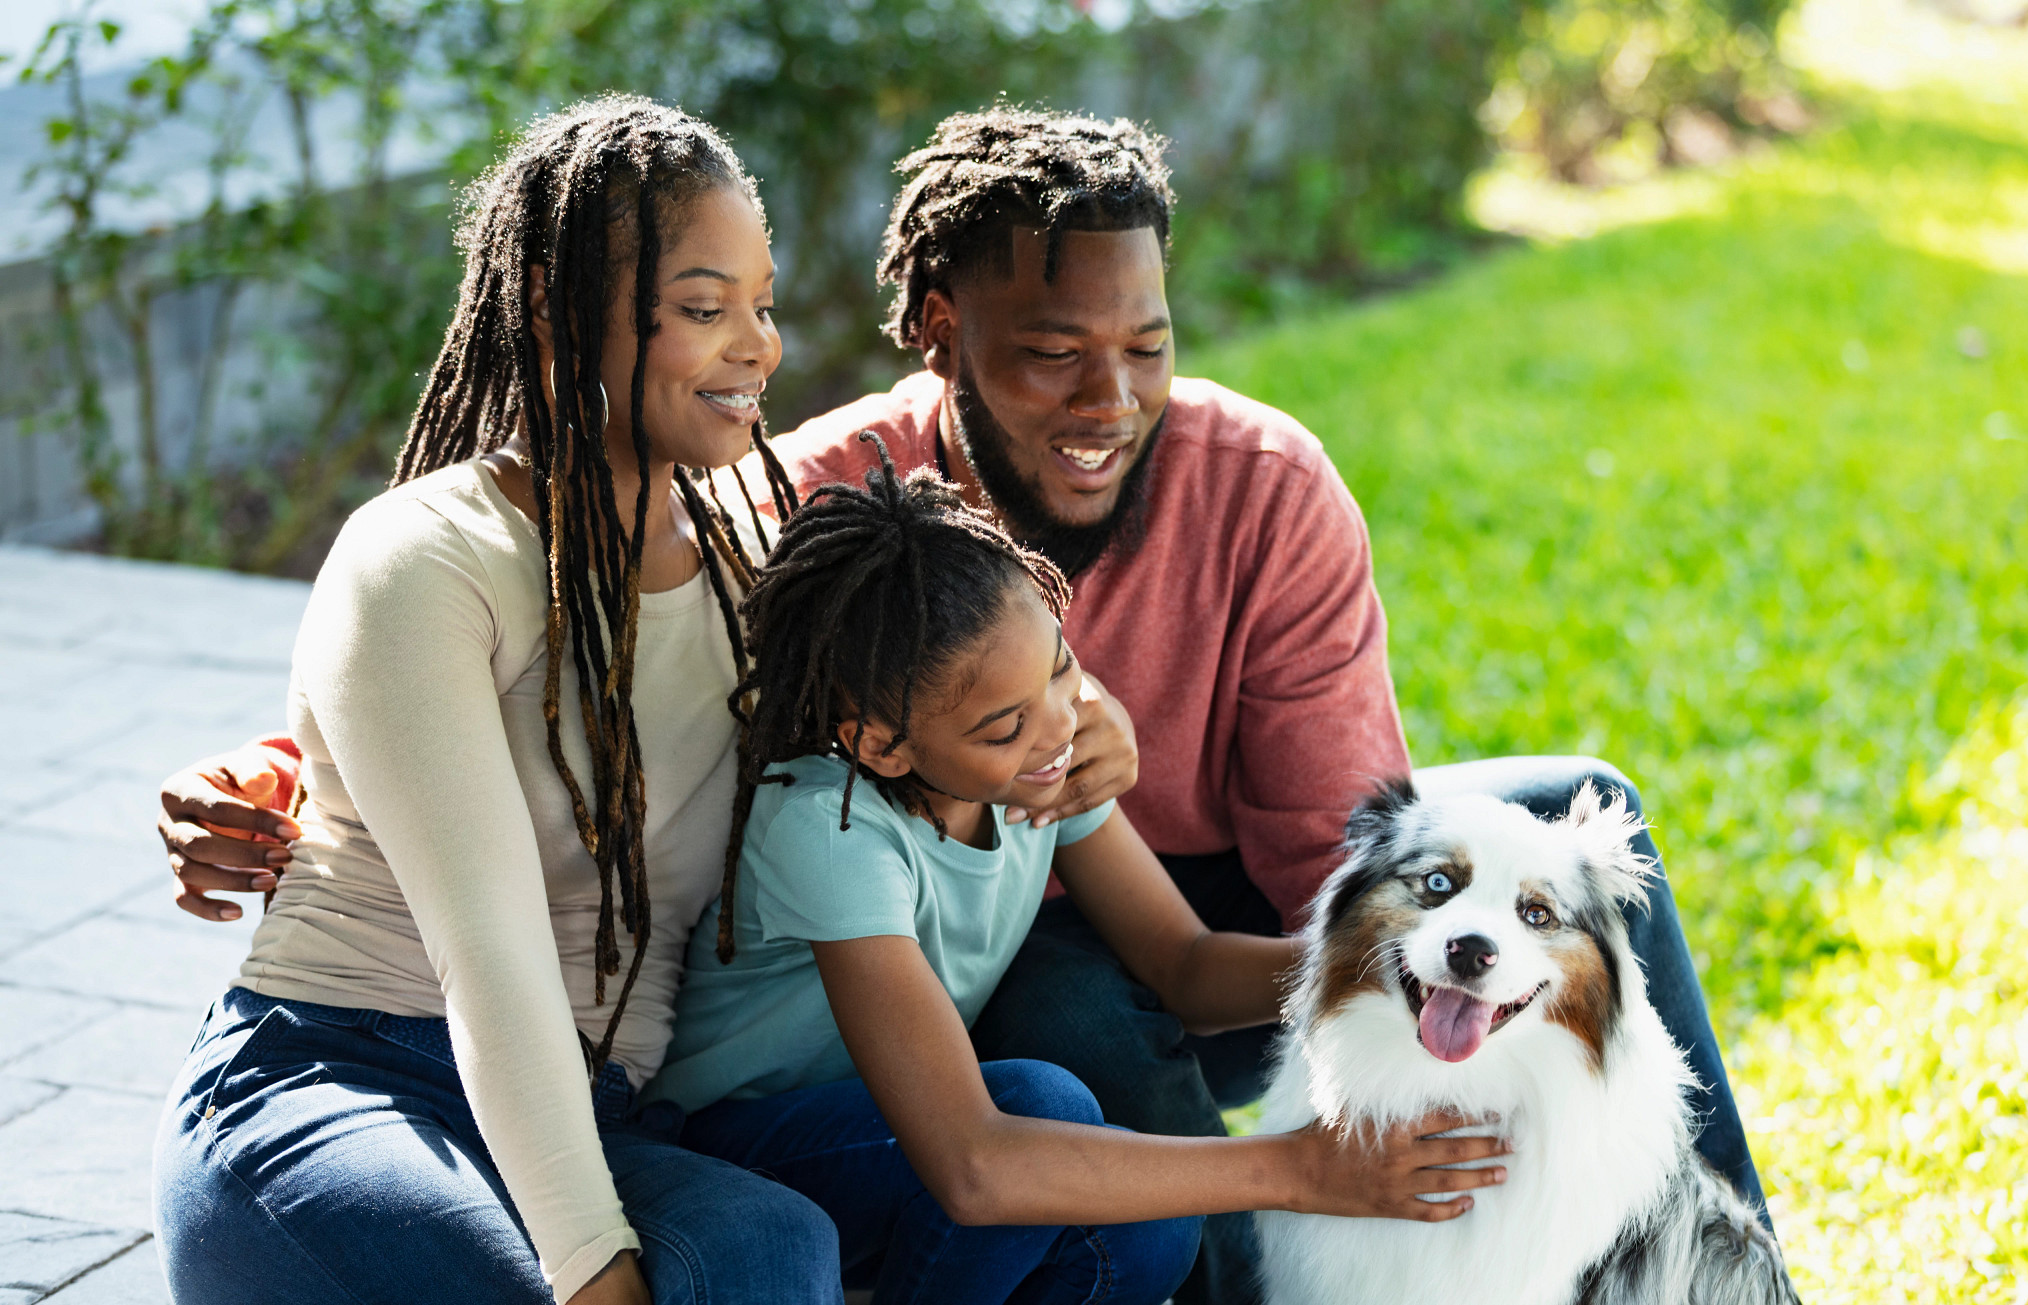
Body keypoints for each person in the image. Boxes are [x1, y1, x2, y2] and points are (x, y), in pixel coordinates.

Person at [157, 105, 1768, 1305]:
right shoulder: (777, 510)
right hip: (407, 1053)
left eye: (760, 307)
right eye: (705, 308)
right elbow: (484, 834)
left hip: (956, 945)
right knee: (1008, 1082)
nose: (1108, 396)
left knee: (1575, 836)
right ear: (941, 337)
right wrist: (286, 765)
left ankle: (1719, 1256)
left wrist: (1479, 969)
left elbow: (1318, 875)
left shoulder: (787, 531)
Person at [150, 97, 840, 1305]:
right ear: (553, 306)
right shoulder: (428, 556)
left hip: (595, 1103)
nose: (757, 347)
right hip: (344, 1074)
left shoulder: (751, 558)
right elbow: (492, 955)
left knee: (777, 1244)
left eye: (761, 304)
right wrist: (595, 1274)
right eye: (701, 308)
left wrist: (1073, 721)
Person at [632, 440, 1508, 1305]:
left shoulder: (1039, 771)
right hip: (732, 1148)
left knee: (1148, 1226)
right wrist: (1302, 1169)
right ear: (882, 744)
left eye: (1062, 668)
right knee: (1039, 1107)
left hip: (903, 1131)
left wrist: (1383, 966)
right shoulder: (830, 823)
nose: (1058, 727)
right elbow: (975, 1166)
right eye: (1004, 725)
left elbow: (1184, 967)